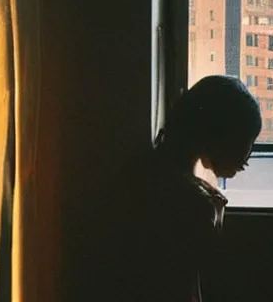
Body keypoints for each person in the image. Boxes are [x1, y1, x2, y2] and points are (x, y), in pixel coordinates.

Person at [99, 75, 262, 301]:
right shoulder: (193, 203)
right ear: (223, 134)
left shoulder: (144, 173)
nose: (248, 154)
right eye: (247, 141)